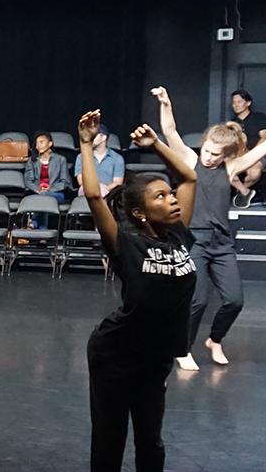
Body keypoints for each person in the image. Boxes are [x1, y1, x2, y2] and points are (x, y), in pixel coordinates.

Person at [155, 86, 266, 370]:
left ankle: (215, 339)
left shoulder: (231, 168)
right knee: (197, 300)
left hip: (222, 243)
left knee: (234, 300)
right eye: (207, 151)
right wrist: (166, 103)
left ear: (225, 155)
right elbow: (171, 131)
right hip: (195, 241)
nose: (209, 157)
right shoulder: (190, 160)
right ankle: (182, 349)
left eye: (215, 154)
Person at [75, 111, 198, 472]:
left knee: (151, 440)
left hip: (157, 356)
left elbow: (189, 177)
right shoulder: (125, 243)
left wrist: (156, 144)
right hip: (116, 353)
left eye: (170, 193)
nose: (172, 199)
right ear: (140, 213)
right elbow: (96, 197)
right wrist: (85, 143)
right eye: (161, 197)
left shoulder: (178, 234)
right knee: (110, 439)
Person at [227, 90, 266, 207]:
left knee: (254, 173)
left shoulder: (259, 117)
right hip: (237, 155)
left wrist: (252, 154)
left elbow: (264, 137)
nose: (235, 105)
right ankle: (245, 192)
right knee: (225, 171)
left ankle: (240, 193)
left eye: (239, 102)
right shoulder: (232, 123)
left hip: (257, 153)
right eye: (234, 102)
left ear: (248, 103)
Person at [72, 123, 126, 198]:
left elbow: (117, 182)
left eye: (93, 135)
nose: (89, 138)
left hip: (108, 194)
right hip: (86, 193)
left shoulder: (117, 158)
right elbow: (81, 181)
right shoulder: (81, 156)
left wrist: (103, 190)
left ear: (103, 137)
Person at [24, 132, 71, 204]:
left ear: (50, 144)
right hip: (37, 193)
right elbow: (28, 181)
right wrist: (38, 190)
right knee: (41, 198)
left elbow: (65, 182)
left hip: (55, 193)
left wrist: (50, 189)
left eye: (41, 142)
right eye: (37, 143)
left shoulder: (61, 159)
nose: (38, 146)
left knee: (43, 197)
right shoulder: (32, 161)